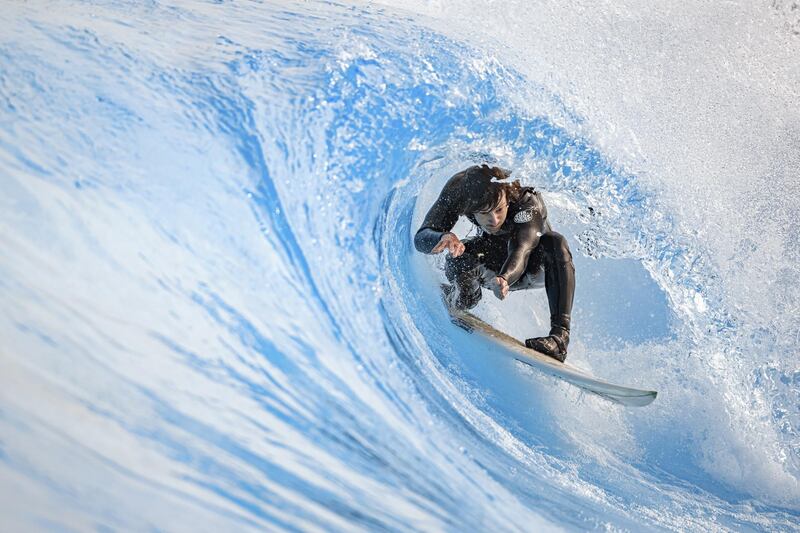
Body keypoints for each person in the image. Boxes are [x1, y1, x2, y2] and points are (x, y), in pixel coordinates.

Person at [414, 164, 576, 361]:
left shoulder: (525, 200)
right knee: (459, 259)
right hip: (493, 258)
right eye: (484, 213)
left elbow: (521, 250)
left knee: (555, 242)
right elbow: (421, 237)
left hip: (532, 265)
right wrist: (441, 236)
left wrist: (505, 277)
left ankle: (559, 338)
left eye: (499, 209)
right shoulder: (460, 191)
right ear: (470, 209)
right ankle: (461, 298)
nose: (494, 219)